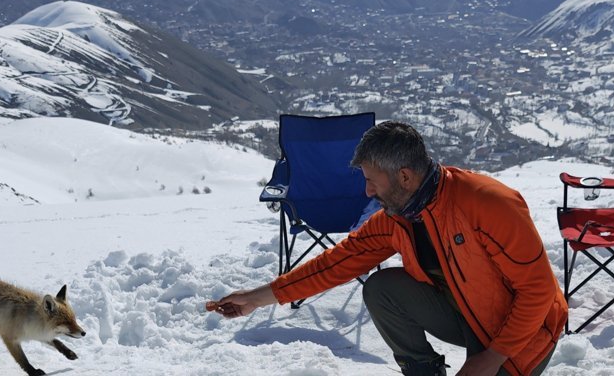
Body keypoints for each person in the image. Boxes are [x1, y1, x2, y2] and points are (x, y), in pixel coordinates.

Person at [211, 121, 567, 376]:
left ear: (405, 177)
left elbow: (537, 292)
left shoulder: (487, 203)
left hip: (523, 331)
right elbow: (337, 263)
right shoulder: (399, 217)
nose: (367, 191)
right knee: (383, 289)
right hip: (464, 315)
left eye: (371, 181)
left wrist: (492, 358)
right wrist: (258, 298)